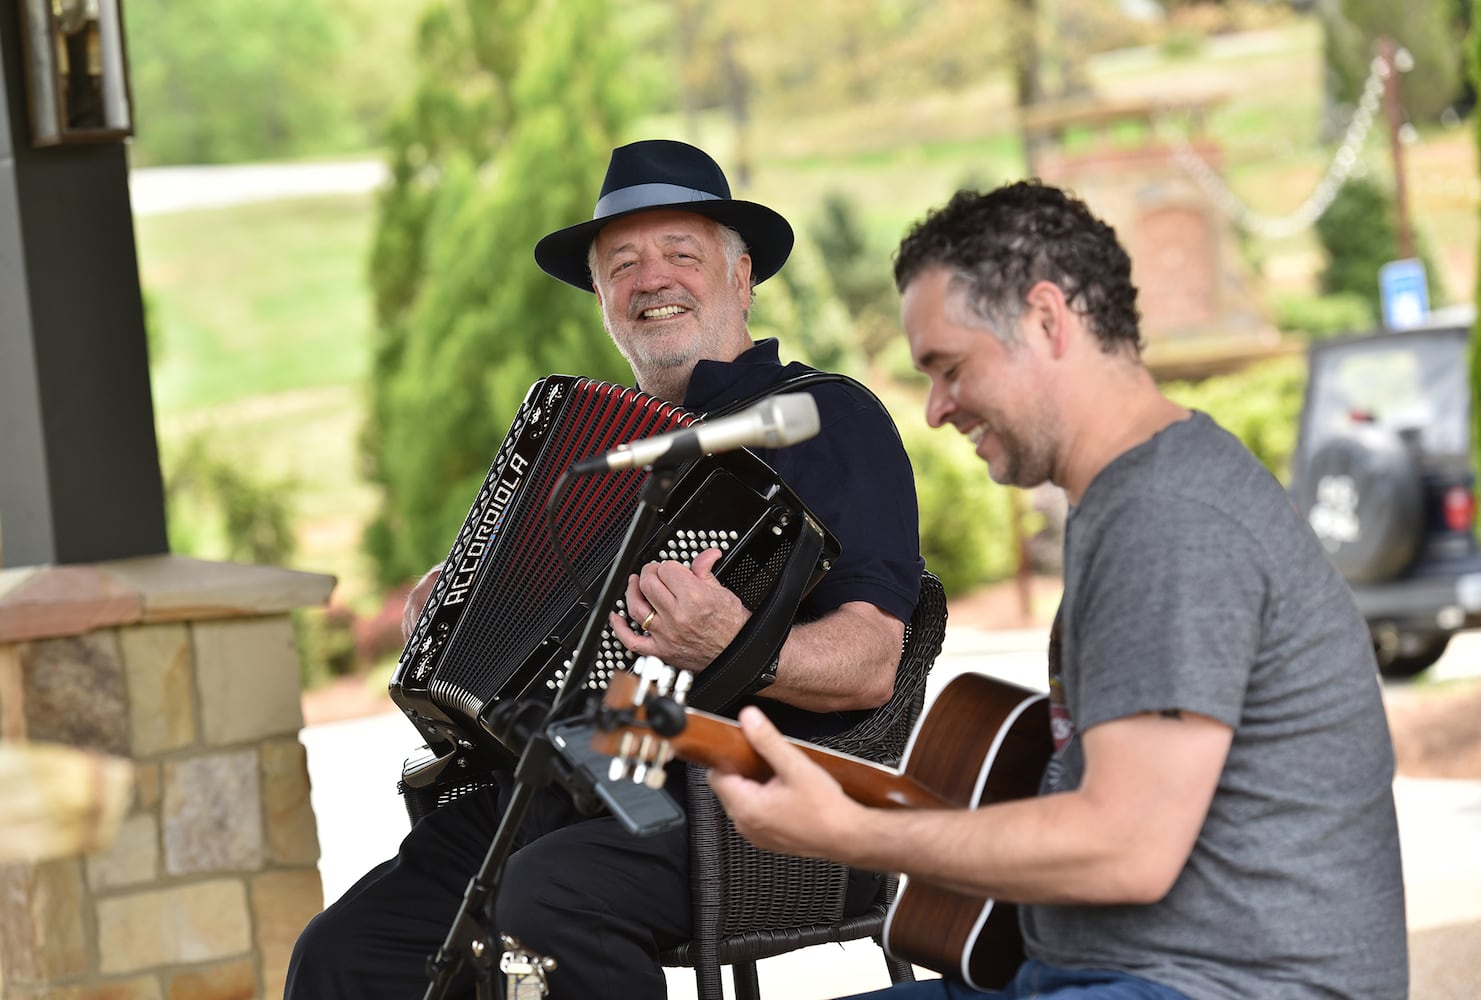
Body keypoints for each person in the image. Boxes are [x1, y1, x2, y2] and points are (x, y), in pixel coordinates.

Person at [708, 180, 1409, 1000]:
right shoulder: (1132, 496)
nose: (935, 410)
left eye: (949, 368)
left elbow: (1124, 846)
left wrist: (852, 834)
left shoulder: (1168, 514)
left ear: (1047, 319)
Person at [285, 138, 924, 998]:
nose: (651, 279)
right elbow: (523, 616)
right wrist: (449, 607)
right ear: (601, 299)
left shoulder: (820, 421)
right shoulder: (599, 450)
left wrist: (742, 648)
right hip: (569, 786)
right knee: (344, 950)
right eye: (622, 263)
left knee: (544, 903)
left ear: (741, 279)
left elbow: (873, 663)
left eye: (680, 254)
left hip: (738, 799)